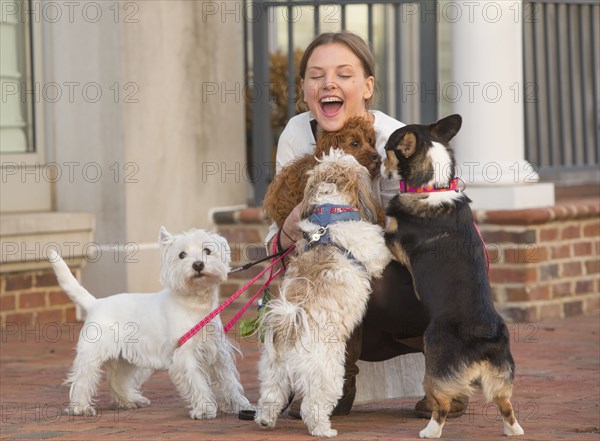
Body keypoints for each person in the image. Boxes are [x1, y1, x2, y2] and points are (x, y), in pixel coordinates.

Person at [264, 31, 468, 419]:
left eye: (343, 74)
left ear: (367, 86)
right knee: (303, 279)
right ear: (305, 88)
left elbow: (423, 236)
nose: (328, 83)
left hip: (413, 287)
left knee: (350, 266)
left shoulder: (397, 140)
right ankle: (331, 383)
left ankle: (448, 367)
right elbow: (283, 227)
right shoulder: (296, 133)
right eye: (315, 75)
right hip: (339, 278)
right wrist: (291, 227)